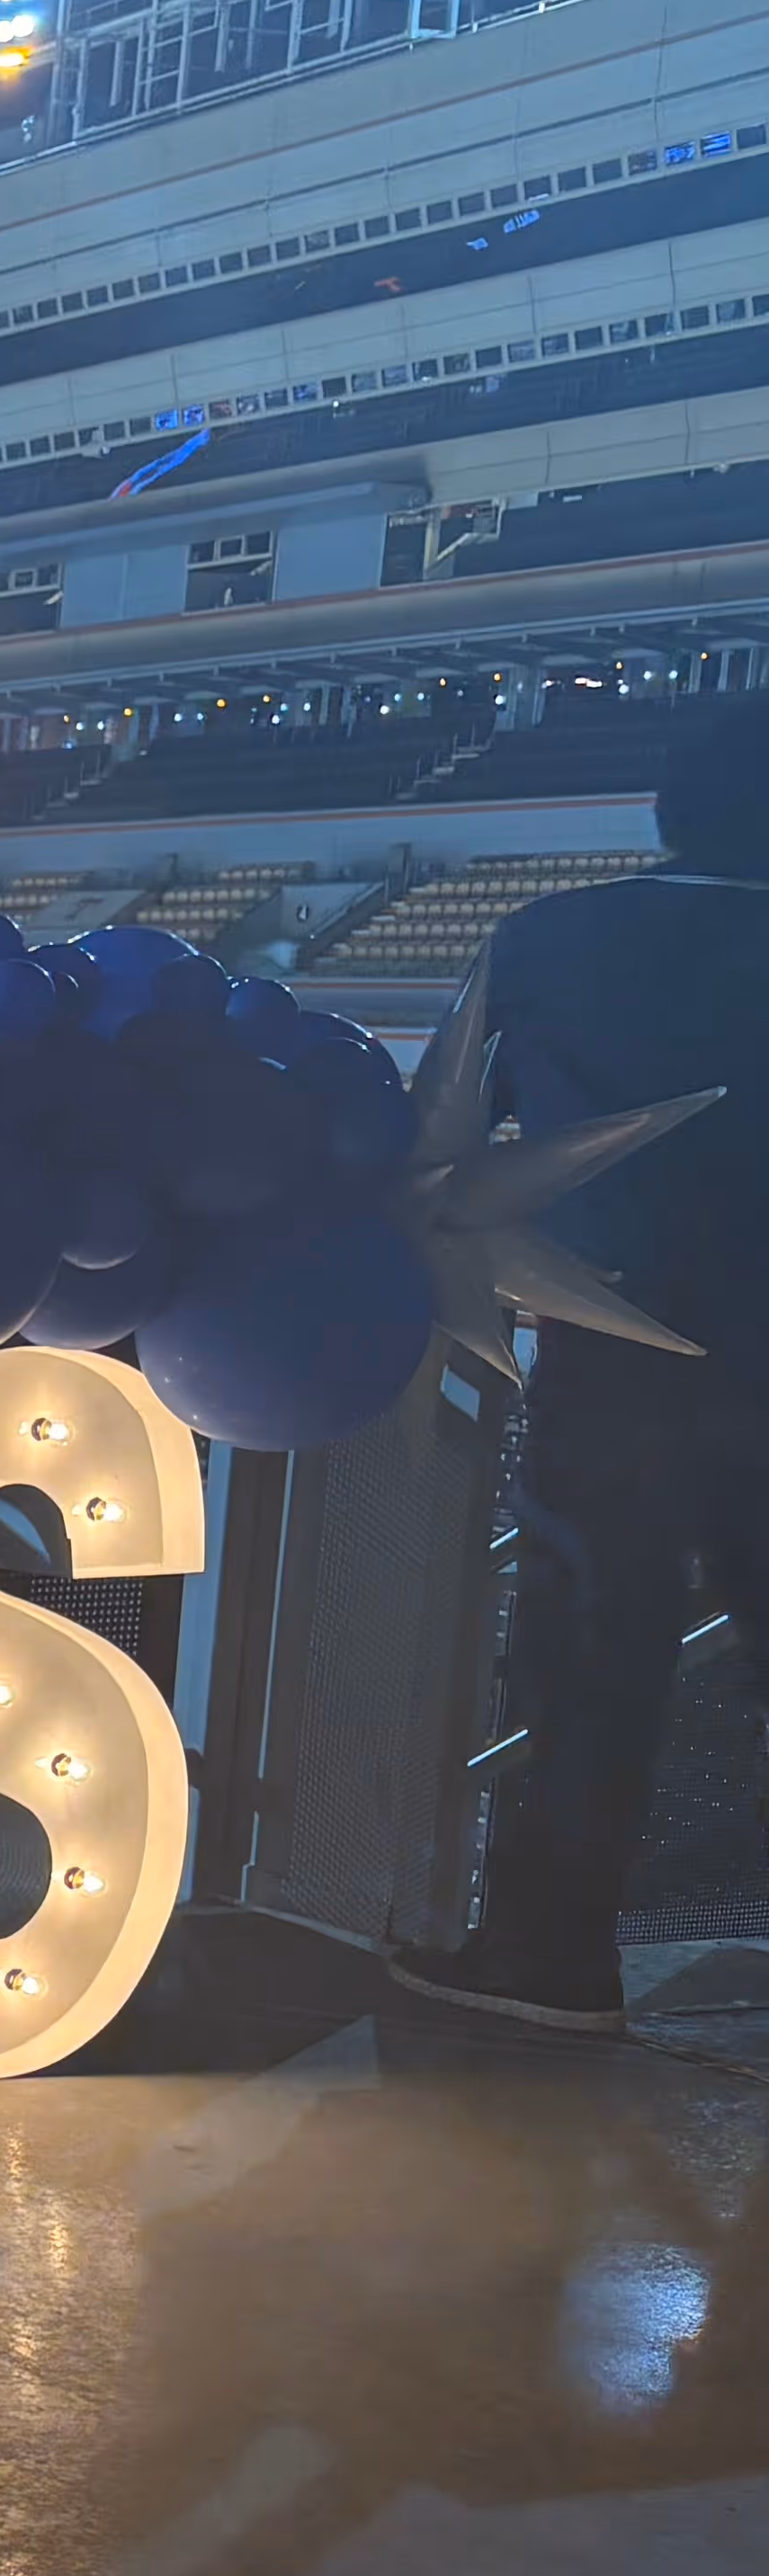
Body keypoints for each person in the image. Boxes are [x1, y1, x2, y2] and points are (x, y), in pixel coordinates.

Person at [397, 695, 769, 2032]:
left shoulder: (547, 938)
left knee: (592, 1653)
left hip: (615, 1360)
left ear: (669, 811)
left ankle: (551, 1956)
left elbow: (432, 1149)